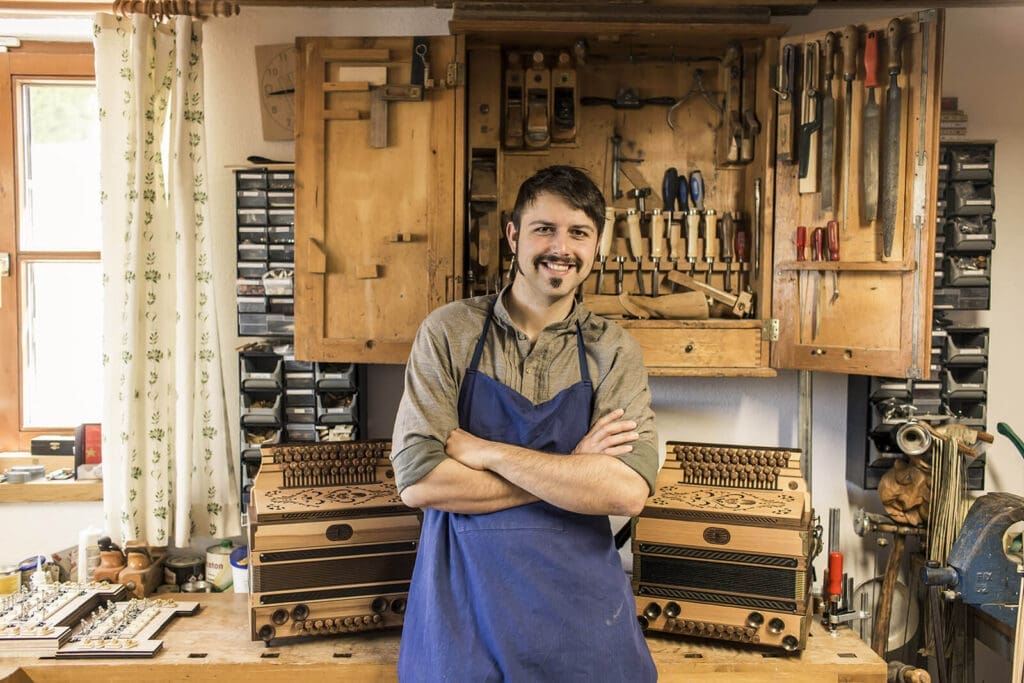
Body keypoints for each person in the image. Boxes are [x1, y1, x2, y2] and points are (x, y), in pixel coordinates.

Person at [391, 165, 659, 681]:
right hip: (463, 624)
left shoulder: (614, 351)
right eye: (545, 229)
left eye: (579, 232)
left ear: (597, 246)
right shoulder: (448, 334)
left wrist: (488, 453)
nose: (561, 247)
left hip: (582, 631)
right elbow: (421, 481)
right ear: (514, 235)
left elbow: (625, 492)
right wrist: (574, 471)